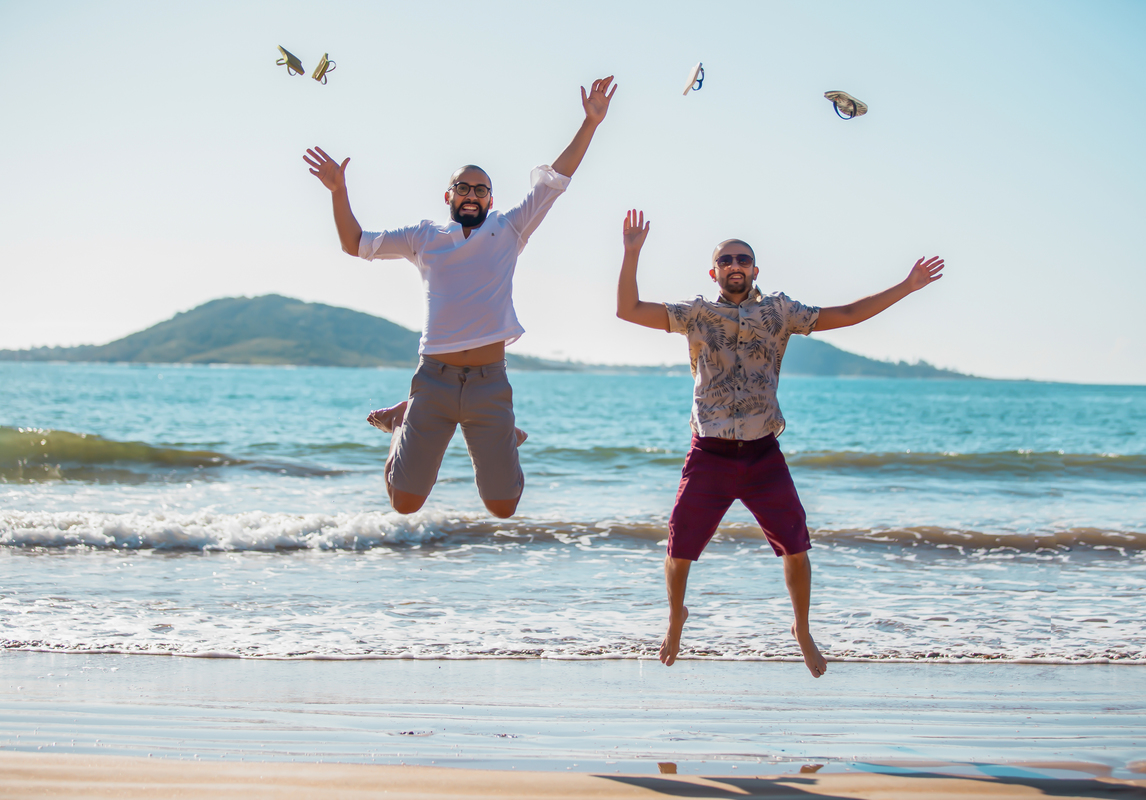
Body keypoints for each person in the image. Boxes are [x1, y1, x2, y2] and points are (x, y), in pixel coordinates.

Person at [615, 209, 944, 677]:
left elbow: (848, 315)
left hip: (762, 452)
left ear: (754, 269)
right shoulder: (696, 314)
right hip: (708, 452)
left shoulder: (779, 311)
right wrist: (631, 254)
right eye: (726, 259)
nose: (735, 264)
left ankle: (802, 629)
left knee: (796, 543)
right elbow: (628, 310)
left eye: (743, 259)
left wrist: (906, 286)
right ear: (714, 271)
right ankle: (675, 618)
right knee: (679, 545)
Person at [304, 77, 617, 519]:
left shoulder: (509, 229)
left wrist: (590, 123)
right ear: (448, 196)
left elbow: (556, 180)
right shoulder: (423, 236)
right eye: (463, 188)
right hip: (434, 379)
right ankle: (402, 421)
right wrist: (340, 192)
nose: (472, 195)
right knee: (405, 504)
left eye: (481, 189)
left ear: (492, 199)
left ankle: (502, 431)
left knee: (503, 507)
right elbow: (355, 242)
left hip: (490, 383)